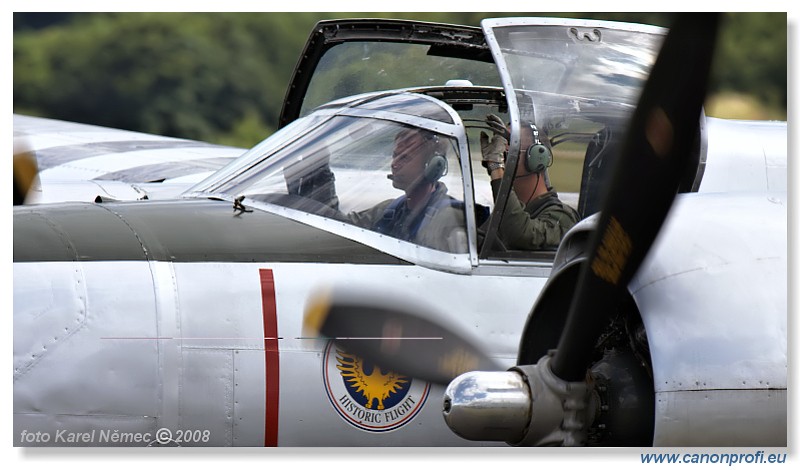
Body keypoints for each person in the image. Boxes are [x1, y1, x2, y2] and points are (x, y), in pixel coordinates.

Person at [345, 127, 467, 253]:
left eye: (404, 158)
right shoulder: (388, 211)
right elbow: (342, 225)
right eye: (395, 156)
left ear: (433, 166)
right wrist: (323, 171)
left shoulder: (450, 219)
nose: (394, 164)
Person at [480, 114, 579, 251]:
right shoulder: (505, 211)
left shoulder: (562, 218)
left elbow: (522, 235)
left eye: (511, 144)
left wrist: (496, 166)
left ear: (538, 158)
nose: (502, 151)